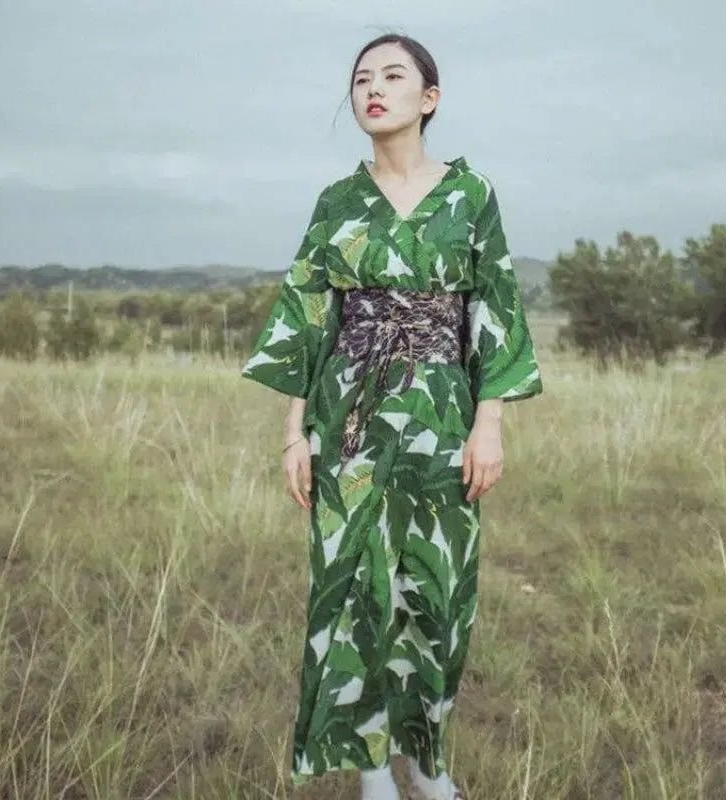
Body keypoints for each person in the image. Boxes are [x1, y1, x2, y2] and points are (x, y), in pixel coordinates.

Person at [241, 32, 544, 800]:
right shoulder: (337, 204)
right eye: (360, 79)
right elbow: (307, 321)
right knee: (352, 591)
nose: (373, 88)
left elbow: (495, 311)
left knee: (437, 592)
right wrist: (292, 435)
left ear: (428, 98)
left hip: (444, 419)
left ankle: (429, 760)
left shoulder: (469, 196)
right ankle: (373, 768)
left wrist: (491, 424)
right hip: (349, 420)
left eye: (393, 75)